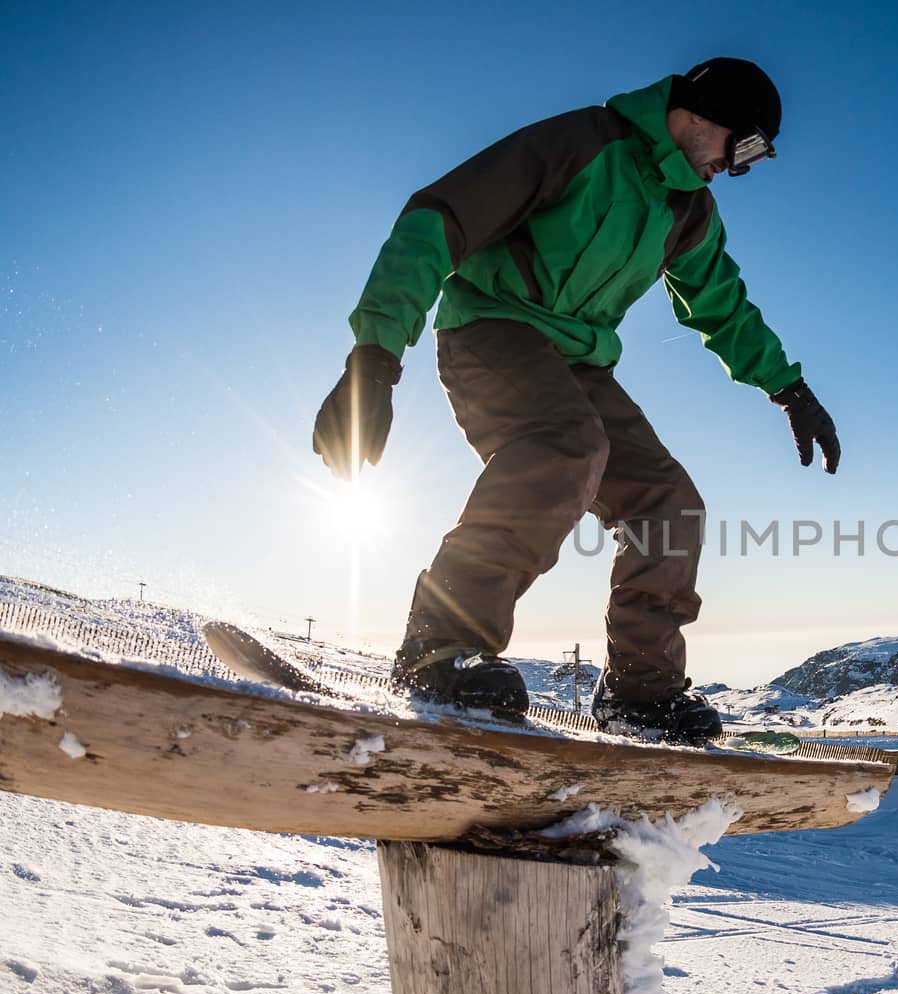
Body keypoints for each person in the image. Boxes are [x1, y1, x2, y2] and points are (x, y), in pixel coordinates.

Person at [311, 58, 839, 742]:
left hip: (576, 362)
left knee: (668, 502)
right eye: (744, 148)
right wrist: (375, 356)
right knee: (567, 446)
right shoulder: (584, 145)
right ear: (701, 115)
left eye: (756, 158)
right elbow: (439, 218)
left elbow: (722, 305)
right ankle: (439, 644)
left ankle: (640, 692)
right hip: (492, 326)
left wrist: (788, 387)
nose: (740, 169)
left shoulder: (688, 211)